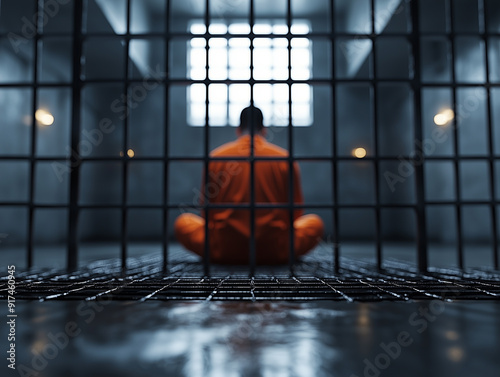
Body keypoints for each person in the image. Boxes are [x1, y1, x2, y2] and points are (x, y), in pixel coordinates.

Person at [174, 106, 324, 264]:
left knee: (183, 222)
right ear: (264, 129)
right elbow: (296, 211)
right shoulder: (285, 159)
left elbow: (205, 210)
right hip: (276, 249)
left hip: (222, 249)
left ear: (238, 130)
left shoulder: (216, 157)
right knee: (315, 223)